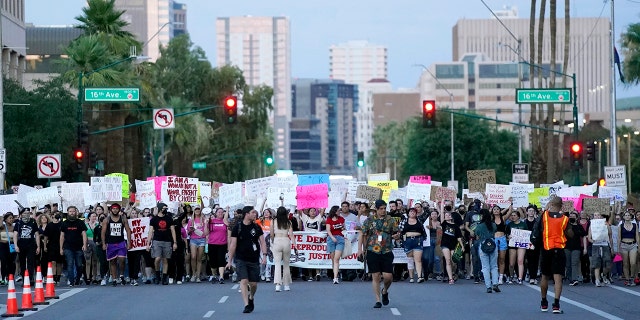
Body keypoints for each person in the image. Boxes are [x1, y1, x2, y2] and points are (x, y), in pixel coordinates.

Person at [530, 196, 573, 314]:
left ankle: (544, 302)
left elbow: (537, 229)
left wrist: (545, 209)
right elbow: (571, 234)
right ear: (561, 205)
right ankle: (556, 305)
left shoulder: (544, 216)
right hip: (559, 250)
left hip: (546, 248)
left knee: (544, 276)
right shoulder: (565, 219)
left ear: (551, 204)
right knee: (558, 278)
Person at [358, 199, 399, 309]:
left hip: (386, 250)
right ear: (376, 209)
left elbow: (397, 232)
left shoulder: (390, 220)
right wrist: (360, 250)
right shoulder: (369, 220)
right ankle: (377, 300)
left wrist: (397, 236)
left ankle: (385, 290)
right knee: (375, 276)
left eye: (385, 208)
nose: (383, 210)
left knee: (388, 276)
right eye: (381, 209)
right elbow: (362, 234)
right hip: (373, 250)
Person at [226, 206, 267, 314]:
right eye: (253, 212)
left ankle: (251, 297)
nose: (255, 214)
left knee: (253, 284)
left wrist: (264, 256)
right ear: (246, 214)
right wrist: (229, 261)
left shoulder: (257, 227)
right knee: (244, 281)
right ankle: (246, 304)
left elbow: (262, 242)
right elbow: (233, 245)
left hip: (254, 259)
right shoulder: (237, 227)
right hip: (241, 259)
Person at [101, 203, 132, 286]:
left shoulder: (123, 218)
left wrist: (129, 242)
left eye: (116, 209)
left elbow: (128, 230)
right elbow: (103, 232)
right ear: (111, 210)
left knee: (122, 260)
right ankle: (114, 278)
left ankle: (121, 275)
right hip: (111, 243)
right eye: (113, 209)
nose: (115, 210)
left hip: (121, 242)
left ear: (119, 210)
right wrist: (103, 243)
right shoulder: (106, 220)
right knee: (113, 261)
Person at [147, 202, 178, 285]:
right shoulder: (154, 219)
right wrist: (148, 243)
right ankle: (157, 275)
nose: (165, 210)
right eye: (164, 208)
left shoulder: (169, 219)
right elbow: (150, 231)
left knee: (165, 260)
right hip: (156, 241)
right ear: (160, 209)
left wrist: (174, 242)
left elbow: (172, 230)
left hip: (167, 241)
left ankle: (164, 277)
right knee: (157, 258)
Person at [59, 206, 87, 287]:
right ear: (67, 212)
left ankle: (78, 279)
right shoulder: (64, 223)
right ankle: (71, 281)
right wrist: (61, 248)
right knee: (70, 264)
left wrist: (84, 245)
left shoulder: (80, 222)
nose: (72, 213)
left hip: (78, 247)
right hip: (68, 247)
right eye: (70, 211)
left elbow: (84, 234)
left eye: (73, 211)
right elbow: (62, 236)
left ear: (76, 212)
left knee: (79, 265)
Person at [270, 206, 297, 292]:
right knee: (286, 264)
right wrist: (295, 245)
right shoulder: (288, 222)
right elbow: (291, 235)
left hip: (277, 240)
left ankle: (278, 285)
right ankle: (286, 285)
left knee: (277, 264)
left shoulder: (273, 221)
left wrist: (273, 241)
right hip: (286, 241)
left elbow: (271, 234)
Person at [475, 208, 500, 293]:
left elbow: (477, 234)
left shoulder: (479, 226)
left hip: (483, 244)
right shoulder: (493, 225)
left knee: (485, 267)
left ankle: (488, 286)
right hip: (492, 243)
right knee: (494, 266)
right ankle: (495, 284)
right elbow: (495, 231)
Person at [399, 207, 427, 283]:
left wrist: (423, 238)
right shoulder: (404, 221)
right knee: (410, 259)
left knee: (418, 260)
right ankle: (411, 277)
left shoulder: (419, 221)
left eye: (414, 211)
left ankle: (419, 276)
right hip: (407, 241)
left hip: (418, 241)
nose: (412, 212)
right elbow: (400, 232)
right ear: (408, 213)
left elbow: (423, 231)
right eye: (411, 211)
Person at [13, 208, 40, 284]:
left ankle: (30, 278)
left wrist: (38, 246)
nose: (26, 215)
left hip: (31, 245)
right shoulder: (18, 223)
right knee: (22, 263)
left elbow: (37, 235)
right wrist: (16, 246)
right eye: (25, 213)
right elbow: (15, 235)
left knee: (31, 262)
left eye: (28, 213)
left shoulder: (33, 222)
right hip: (21, 245)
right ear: (21, 214)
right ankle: (24, 279)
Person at [206, 207, 229, 284]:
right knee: (212, 261)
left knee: (221, 260)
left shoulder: (225, 222)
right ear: (215, 213)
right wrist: (206, 224)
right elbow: (206, 233)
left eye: (222, 212)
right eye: (219, 212)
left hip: (222, 244)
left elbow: (229, 233)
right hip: (212, 243)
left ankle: (221, 276)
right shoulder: (211, 221)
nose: (220, 213)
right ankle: (214, 275)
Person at [616, 209, 639, 286]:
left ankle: (632, 277)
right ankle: (627, 279)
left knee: (633, 262)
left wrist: (639, 246)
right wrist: (618, 248)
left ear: (631, 216)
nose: (627, 216)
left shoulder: (635, 225)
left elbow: (637, 236)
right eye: (626, 215)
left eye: (628, 215)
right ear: (623, 217)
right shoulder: (621, 226)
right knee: (625, 263)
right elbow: (619, 237)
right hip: (623, 245)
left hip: (633, 245)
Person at [566, 211, 587, 286]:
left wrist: (585, 248)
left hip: (576, 248)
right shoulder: (566, 226)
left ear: (576, 217)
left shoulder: (579, 226)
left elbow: (584, 236)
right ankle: (569, 277)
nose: (571, 217)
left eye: (573, 216)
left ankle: (574, 279)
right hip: (566, 247)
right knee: (568, 264)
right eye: (570, 216)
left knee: (574, 263)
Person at [325, 206, 345, 284]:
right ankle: (335, 274)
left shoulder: (341, 219)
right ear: (334, 211)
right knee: (333, 259)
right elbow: (328, 230)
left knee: (336, 259)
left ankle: (335, 277)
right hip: (331, 239)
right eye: (338, 211)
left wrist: (343, 227)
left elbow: (343, 228)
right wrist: (332, 237)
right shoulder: (329, 219)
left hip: (340, 238)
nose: (340, 212)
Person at [187, 205, 207, 282]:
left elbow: (205, 231)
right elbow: (188, 232)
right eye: (196, 209)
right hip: (193, 239)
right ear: (194, 211)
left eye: (198, 209)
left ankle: (198, 276)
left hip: (202, 239)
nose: (197, 210)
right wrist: (191, 230)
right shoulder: (191, 220)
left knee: (199, 258)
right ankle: (193, 274)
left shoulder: (204, 219)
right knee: (193, 257)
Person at [43, 212, 63, 284]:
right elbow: (45, 237)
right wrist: (45, 246)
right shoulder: (49, 225)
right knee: (53, 261)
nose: (56, 215)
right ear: (52, 216)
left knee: (59, 262)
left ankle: (58, 277)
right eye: (55, 214)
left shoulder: (61, 224)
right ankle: (54, 277)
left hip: (60, 245)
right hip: (51, 245)